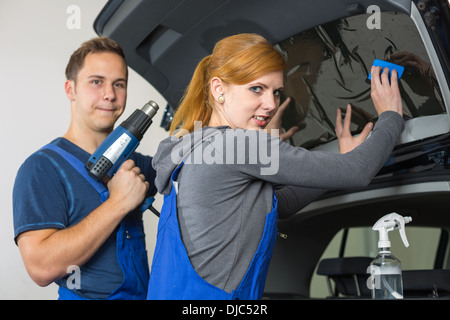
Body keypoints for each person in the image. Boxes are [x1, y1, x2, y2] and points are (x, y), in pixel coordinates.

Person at [147, 33, 404, 300]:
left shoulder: (195, 149)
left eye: (277, 92)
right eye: (256, 89)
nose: (271, 105)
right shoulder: (238, 145)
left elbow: (278, 204)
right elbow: (358, 172)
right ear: (218, 89)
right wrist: (392, 116)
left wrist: (342, 156)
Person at [13, 37, 157, 300]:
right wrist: (118, 204)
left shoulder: (137, 164)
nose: (110, 94)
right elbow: (41, 267)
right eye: (96, 81)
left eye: (119, 84)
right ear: (70, 89)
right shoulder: (42, 168)